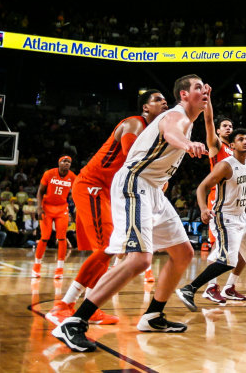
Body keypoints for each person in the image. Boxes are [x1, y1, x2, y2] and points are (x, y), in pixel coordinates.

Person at [52, 74, 208, 353]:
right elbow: (171, 132)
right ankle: (74, 321)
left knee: (183, 253)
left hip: (154, 191)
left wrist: (205, 108)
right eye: (198, 87)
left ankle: (153, 315)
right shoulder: (176, 115)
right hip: (135, 183)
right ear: (183, 95)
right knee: (139, 259)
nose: (204, 91)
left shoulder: (191, 119)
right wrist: (186, 145)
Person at [45, 89, 169, 326]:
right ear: (145, 107)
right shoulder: (135, 123)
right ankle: (64, 305)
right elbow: (131, 158)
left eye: (165, 100)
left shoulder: (154, 134)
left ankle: (90, 307)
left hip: (111, 191)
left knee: (112, 249)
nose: (164, 102)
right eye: (157, 100)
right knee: (107, 247)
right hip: (93, 185)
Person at [176, 128, 246, 310]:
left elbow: (242, 179)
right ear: (232, 145)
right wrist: (203, 208)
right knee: (227, 261)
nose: (245, 141)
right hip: (225, 217)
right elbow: (202, 187)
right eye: (240, 139)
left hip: (241, 216)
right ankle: (189, 289)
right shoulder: (225, 165)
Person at [201, 87, 235, 303]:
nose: (229, 128)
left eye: (231, 126)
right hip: (217, 200)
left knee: (235, 247)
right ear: (219, 130)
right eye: (225, 126)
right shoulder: (216, 145)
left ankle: (229, 287)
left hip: (233, 203)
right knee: (219, 245)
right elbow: (209, 121)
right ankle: (210, 286)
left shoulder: (233, 150)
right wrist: (208, 100)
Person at [33, 156, 77, 279]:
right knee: (45, 237)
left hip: (62, 208)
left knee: (62, 238)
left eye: (69, 162)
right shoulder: (49, 173)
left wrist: (75, 209)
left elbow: (76, 192)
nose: (66, 163)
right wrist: (39, 208)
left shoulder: (73, 177)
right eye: (64, 161)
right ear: (59, 163)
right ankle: (36, 266)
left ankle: (60, 268)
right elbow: (40, 191)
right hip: (47, 208)